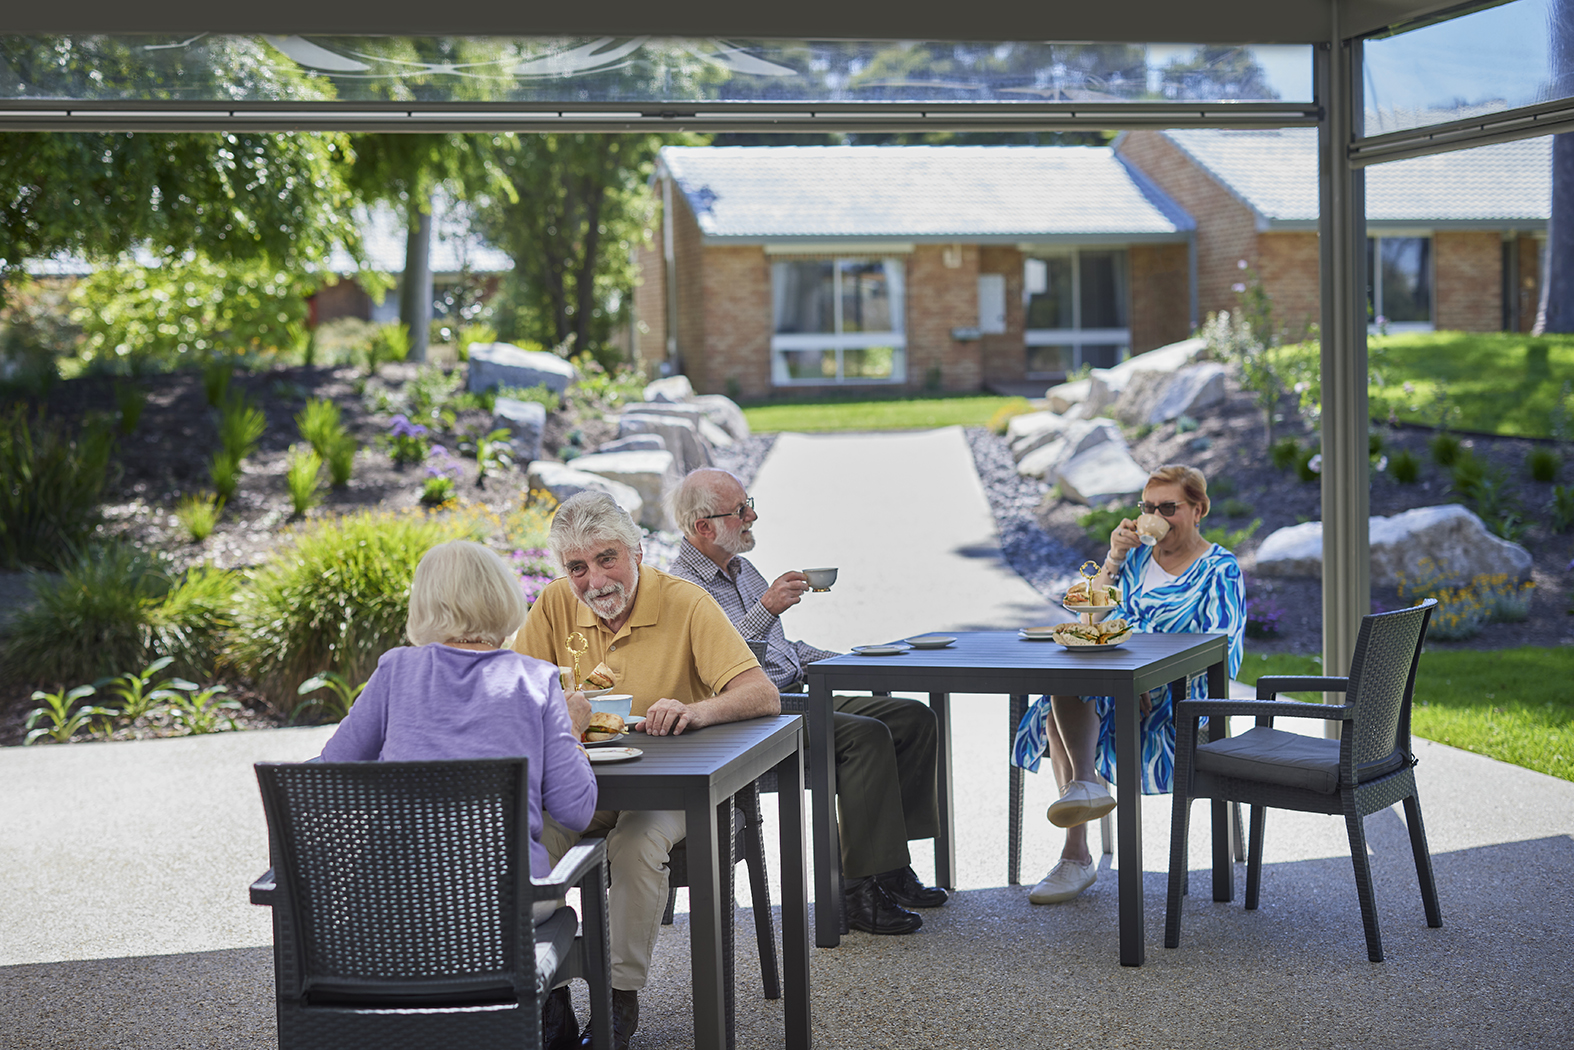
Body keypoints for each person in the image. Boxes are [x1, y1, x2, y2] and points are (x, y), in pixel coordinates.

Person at [514, 490, 779, 1050]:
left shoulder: (685, 602)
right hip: (578, 785)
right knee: (526, 843)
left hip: (669, 792)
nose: (593, 580)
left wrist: (695, 709)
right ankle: (550, 993)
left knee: (634, 844)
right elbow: (514, 700)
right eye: (577, 567)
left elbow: (762, 694)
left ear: (636, 551)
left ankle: (617, 1003)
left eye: (607, 558)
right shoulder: (555, 605)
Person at [318, 539, 598, 1049]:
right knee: (573, 882)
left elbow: (328, 773)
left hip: (394, 906)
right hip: (500, 907)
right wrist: (573, 730)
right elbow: (576, 808)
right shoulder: (535, 681)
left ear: (424, 604)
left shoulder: (394, 671)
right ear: (501, 598)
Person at [666, 467, 948, 937]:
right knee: (866, 736)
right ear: (703, 528)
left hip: (794, 692)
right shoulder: (683, 589)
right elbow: (710, 668)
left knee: (912, 718)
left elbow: (784, 651)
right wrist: (768, 607)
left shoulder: (739, 568)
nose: (752, 515)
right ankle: (857, 892)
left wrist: (854, 661)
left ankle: (889, 867)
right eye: (740, 511)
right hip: (750, 715)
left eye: (748, 502)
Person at [1012, 464, 1245, 905]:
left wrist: (1146, 673)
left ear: (1198, 510)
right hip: (1118, 685)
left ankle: (1076, 852)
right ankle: (1085, 794)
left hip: (1179, 698)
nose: (1155, 516)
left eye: (1168, 508)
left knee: (1062, 703)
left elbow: (1222, 649)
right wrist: (1113, 558)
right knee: (1065, 681)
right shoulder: (1134, 560)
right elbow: (1090, 622)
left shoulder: (1220, 568)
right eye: (1148, 507)